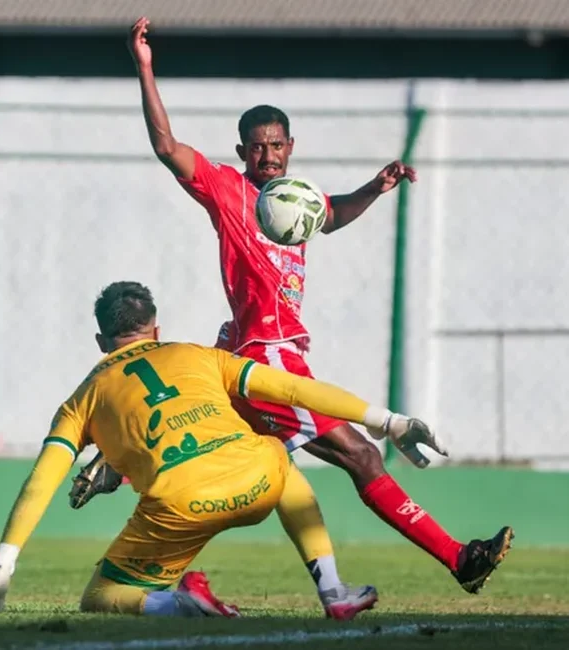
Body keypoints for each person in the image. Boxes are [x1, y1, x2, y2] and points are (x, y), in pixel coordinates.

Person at [69, 16, 512, 605]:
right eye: (257, 146)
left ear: (290, 147)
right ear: (241, 151)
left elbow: (330, 214)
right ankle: (458, 559)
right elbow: (167, 148)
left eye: (277, 145)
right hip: (266, 357)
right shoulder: (228, 190)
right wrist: (145, 68)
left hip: (256, 353)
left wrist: (374, 190)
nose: (268, 155)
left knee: (230, 455)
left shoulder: (294, 201)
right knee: (359, 454)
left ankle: (125, 478)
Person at [0, 281, 453, 618]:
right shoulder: (198, 355)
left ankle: (177, 604)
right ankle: (333, 591)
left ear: (100, 341)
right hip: (258, 483)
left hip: (180, 505)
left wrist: (1, 566)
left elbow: (43, 479)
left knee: (102, 596)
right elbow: (292, 390)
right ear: (155, 328)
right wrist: (387, 420)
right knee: (274, 453)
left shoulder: (82, 398)